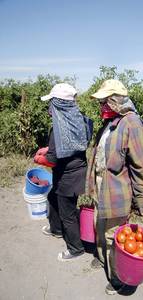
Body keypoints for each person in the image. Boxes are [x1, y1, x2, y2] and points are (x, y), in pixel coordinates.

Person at [85, 79, 143, 295]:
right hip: (100, 186)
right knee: (99, 225)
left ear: (115, 101)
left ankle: (117, 278)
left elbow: (140, 166)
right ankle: (101, 255)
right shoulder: (111, 121)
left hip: (116, 191)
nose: (101, 106)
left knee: (114, 235)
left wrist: (139, 200)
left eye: (104, 101)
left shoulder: (132, 124)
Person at [34, 83, 93, 261]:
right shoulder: (81, 121)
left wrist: (38, 159)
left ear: (58, 104)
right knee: (52, 197)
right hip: (78, 171)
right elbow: (68, 148)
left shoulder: (57, 130)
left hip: (68, 177)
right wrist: (49, 150)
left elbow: (52, 160)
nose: (49, 106)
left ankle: (76, 249)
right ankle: (57, 229)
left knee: (68, 214)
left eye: (51, 102)